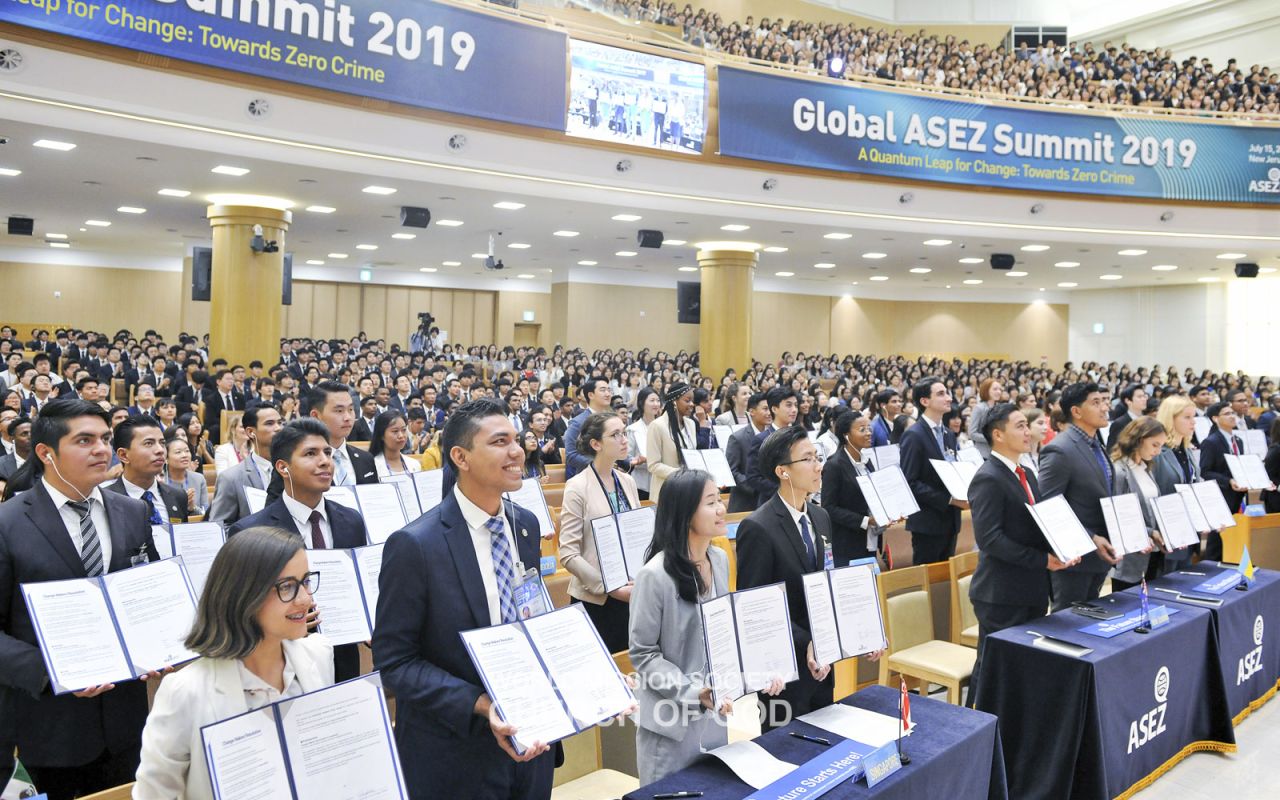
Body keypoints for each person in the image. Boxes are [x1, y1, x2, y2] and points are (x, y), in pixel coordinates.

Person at [374, 399, 556, 799]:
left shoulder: (524, 525)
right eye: (499, 441)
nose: (516, 451)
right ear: (461, 456)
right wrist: (480, 704)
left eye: (516, 439)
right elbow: (395, 663)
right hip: (457, 754)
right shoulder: (415, 546)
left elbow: (531, 615)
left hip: (533, 738)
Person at [0, 400, 161, 800]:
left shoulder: (132, 512)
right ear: (46, 453)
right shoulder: (8, 524)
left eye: (105, 438)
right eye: (84, 440)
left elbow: (151, 595)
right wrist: (53, 671)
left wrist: (164, 640)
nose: (102, 450)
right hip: (50, 725)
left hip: (129, 720)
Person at [133, 527, 334, 800]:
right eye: (287, 586)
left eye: (306, 581)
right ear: (245, 595)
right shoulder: (185, 692)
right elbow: (154, 795)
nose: (305, 599)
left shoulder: (317, 655)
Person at [629, 469, 765, 784]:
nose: (722, 508)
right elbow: (644, 654)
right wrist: (693, 692)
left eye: (720, 499)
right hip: (670, 724)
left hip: (714, 714)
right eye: (710, 502)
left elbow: (722, 632)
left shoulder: (719, 559)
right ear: (685, 512)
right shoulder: (654, 575)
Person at [230, 419, 370, 682]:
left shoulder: (351, 520)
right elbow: (240, 611)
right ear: (283, 467)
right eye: (310, 454)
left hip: (344, 656)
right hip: (281, 663)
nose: (325, 461)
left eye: (327, 453)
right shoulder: (251, 531)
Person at [968, 403, 1077, 707]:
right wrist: (1043, 560)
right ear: (998, 434)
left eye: (1027, 425)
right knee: (993, 666)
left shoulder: (1026, 471)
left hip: (1030, 587)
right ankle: (979, 726)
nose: (1028, 431)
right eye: (1019, 426)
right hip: (1001, 592)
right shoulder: (989, 476)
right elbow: (990, 539)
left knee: (1022, 664)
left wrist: (1064, 546)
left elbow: (1041, 521)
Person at [737, 426, 845, 730]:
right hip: (781, 670)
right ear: (783, 471)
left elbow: (826, 580)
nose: (818, 465)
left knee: (825, 748)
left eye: (817, 456)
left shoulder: (821, 517)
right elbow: (754, 606)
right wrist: (806, 641)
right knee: (784, 754)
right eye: (807, 459)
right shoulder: (758, 527)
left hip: (822, 661)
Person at [558, 412, 642, 653]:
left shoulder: (627, 481)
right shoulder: (577, 487)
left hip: (632, 589)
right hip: (596, 596)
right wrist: (610, 586)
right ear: (596, 444)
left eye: (624, 433)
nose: (624, 439)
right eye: (615, 435)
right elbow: (568, 553)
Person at [1039, 382, 1120, 610]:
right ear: (1076, 411)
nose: (1105, 407)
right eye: (1096, 403)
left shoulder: (1096, 444)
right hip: (1076, 558)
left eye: (1105, 401)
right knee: (1067, 625)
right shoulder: (1059, 449)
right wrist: (1091, 537)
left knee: (1089, 623)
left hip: (1100, 556)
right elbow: (1049, 506)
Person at [267, 381, 376, 501]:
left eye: (350, 409)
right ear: (315, 416)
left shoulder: (365, 458)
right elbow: (274, 509)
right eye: (339, 411)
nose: (348, 417)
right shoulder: (296, 462)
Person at [899, 377, 966, 565]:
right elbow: (910, 482)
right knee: (928, 581)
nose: (948, 398)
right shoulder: (914, 435)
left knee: (946, 580)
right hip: (927, 522)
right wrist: (950, 500)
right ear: (924, 401)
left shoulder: (948, 434)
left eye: (947, 392)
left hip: (951, 520)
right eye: (941, 394)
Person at [821, 411, 900, 566]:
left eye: (869, 428)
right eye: (862, 429)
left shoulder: (866, 461)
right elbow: (829, 507)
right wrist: (866, 520)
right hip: (847, 541)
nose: (869, 433)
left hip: (870, 538)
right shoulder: (834, 465)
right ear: (846, 435)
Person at [1108, 417, 1170, 592]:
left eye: (1161, 446)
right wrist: (1150, 532)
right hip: (1130, 556)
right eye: (1154, 445)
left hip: (1152, 551)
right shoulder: (1119, 471)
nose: (1158, 451)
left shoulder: (1146, 468)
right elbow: (1120, 515)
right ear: (1139, 440)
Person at [1198, 400, 1259, 561]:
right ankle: (1210, 568)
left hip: (1238, 495)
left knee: (1235, 534)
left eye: (1232, 413)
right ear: (1215, 418)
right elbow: (1205, 471)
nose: (1232, 416)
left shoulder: (1237, 440)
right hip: (1221, 495)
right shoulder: (1211, 442)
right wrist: (1228, 481)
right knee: (1217, 541)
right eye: (1227, 414)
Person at [103, 415, 190, 524]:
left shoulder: (178, 496)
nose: (160, 450)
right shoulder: (105, 500)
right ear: (124, 455)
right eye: (149, 443)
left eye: (162, 443)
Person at [1151, 395, 1202, 572]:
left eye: (1193, 417)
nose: (1193, 422)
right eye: (1187, 417)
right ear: (1170, 419)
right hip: (1167, 530)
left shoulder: (1186, 451)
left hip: (1187, 527)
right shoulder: (1158, 452)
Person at [208, 406, 281, 526]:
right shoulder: (231, 478)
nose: (278, 428)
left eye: (280, 422)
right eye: (269, 423)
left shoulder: (293, 470)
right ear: (251, 432)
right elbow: (220, 527)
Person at [742, 386, 799, 509]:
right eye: (789, 405)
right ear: (774, 409)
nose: (794, 410)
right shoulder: (762, 439)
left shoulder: (798, 437)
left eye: (795, 405)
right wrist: (783, 489)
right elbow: (753, 477)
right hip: (771, 503)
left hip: (798, 500)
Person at [646, 382, 698, 501]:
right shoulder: (657, 426)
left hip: (688, 489)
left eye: (692, 400)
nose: (692, 404)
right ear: (675, 401)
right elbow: (653, 465)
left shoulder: (691, 424)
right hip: (667, 491)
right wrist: (681, 474)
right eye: (687, 400)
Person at [726, 391, 771, 512]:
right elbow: (732, 471)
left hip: (769, 501)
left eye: (770, 408)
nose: (769, 413)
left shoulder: (773, 436)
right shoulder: (738, 438)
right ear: (752, 411)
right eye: (765, 409)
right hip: (746, 501)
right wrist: (756, 486)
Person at [563, 378, 614, 479]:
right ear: (591, 395)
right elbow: (571, 455)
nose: (608, 394)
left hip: (612, 475)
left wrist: (629, 460)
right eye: (603, 390)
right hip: (589, 477)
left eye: (609, 390)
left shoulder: (613, 419)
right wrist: (599, 463)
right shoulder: (578, 422)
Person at [625, 387, 661, 499]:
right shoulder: (632, 429)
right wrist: (637, 461)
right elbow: (626, 458)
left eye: (658, 400)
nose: (656, 404)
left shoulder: (664, 427)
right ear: (641, 403)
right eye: (652, 400)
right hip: (641, 484)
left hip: (662, 482)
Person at [162, 433, 209, 515]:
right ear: (166, 458)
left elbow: (206, 513)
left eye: (187, 451)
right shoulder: (159, 480)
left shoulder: (199, 479)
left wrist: (192, 507)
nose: (184, 455)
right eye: (178, 452)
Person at [371, 409, 422, 478]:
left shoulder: (414, 464)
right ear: (381, 435)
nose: (401, 435)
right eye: (395, 431)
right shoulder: (373, 466)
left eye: (404, 430)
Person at [201, 369, 243, 445]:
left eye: (232, 379)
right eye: (227, 379)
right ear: (218, 382)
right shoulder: (211, 399)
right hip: (220, 426)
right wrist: (228, 423)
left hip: (238, 424)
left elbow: (243, 413)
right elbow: (211, 419)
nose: (231, 382)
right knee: (214, 429)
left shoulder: (240, 397)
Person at [967, 377, 1004, 458]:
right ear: (986, 390)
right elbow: (972, 433)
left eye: (1000, 389)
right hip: (983, 454)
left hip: (998, 453)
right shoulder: (979, 408)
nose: (998, 392)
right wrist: (991, 438)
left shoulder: (1000, 408)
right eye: (995, 389)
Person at [1107, 383, 1149, 449]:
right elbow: (1111, 450)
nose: (1144, 399)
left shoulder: (1148, 421)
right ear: (1128, 401)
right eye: (1139, 397)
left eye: (1144, 396)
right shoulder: (1119, 424)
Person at [0, 414, 31, 483]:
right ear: (12, 438)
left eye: (33, 433)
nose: (30, 437)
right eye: (24, 434)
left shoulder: (48, 461)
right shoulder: (1, 465)